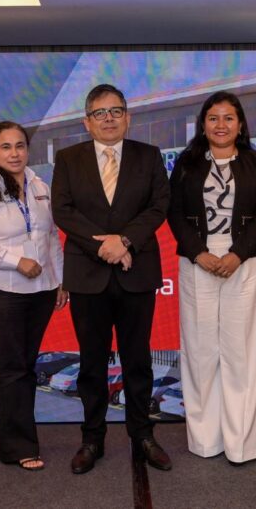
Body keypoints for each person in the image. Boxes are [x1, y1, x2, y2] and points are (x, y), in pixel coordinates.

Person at [51, 84, 172, 474]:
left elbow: (159, 205)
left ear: (128, 117)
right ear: (87, 122)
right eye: (99, 113)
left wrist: (125, 241)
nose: (108, 119)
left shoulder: (148, 156)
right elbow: (63, 211)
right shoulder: (68, 159)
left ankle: (143, 435)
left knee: (138, 361)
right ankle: (92, 439)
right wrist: (103, 246)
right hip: (88, 275)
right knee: (91, 364)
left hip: (136, 272)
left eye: (116, 111)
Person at [167, 91, 256, 465]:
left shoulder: (255, 162)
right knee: (200, 352)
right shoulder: (186, 163)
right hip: (196, 260)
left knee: (241, 353)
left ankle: (243, 444)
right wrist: (199, 253)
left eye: (229, 118)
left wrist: (237, 254)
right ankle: (205, 441)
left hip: (243, 261)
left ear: (240, 124)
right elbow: (174, 212)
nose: (221, 125)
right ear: (203, 124)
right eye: (213, 118)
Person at [0, 121, 68, 471]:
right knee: (13, 367)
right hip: (2, 291)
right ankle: (19, 445)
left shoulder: (40, 186)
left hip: (41, 292)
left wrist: (60, 280)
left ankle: (9, 431)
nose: (14, 153)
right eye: (6, 147)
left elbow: (50, 237)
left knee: (25, 365)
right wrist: (16, 261)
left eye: (20, 146)